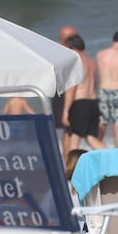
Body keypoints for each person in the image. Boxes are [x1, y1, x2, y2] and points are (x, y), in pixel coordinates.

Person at [63, 34, 107, 152]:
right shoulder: (91, 62)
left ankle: (71, 169)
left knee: (74, 139)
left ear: (73, 48)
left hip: (80, 104)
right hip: (93, 102)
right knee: (91, 138)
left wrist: (66, 111)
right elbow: (95, 83)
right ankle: (112, 157)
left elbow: (71, 88)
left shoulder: (75, 63)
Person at [55, 26, 78, 161]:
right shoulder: (60, 51)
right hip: (64, 91)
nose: (75, 39)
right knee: (67, 128)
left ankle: (69, 161)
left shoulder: (72, 52)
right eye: (71, 36)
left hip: (72, 91)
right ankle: (67, 161)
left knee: (71, 129)